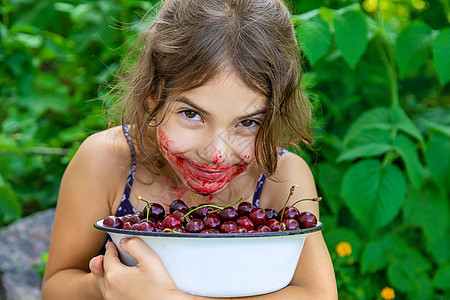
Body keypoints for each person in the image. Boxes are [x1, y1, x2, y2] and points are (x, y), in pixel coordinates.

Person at [41, 0, 337, 299]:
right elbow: (57, 285)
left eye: (247, 122)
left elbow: (319, 294)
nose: (215, 153)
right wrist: (105, 284)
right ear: (153, 95)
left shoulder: (281, 176)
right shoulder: (107, 160)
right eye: (192, 115)